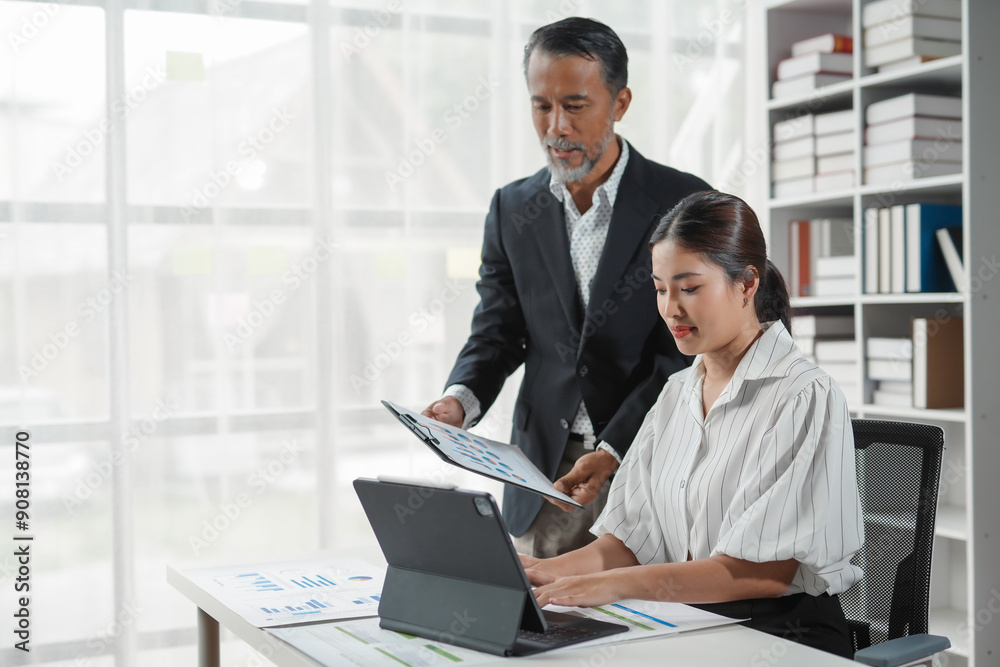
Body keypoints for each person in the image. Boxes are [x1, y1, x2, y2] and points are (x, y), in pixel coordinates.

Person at [519, 191, 864, 657]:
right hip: (690, 621)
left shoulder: (802, 395)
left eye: (690, 288)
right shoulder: (675, 393)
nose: (670, 309)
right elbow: (629, 541)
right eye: (661, 289)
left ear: (746, 284)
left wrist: (610, 587)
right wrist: (545, 570)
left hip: (780, 636)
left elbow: (761, 573)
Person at [421, 17, 711, 558]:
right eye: (541, 106)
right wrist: (460, 400)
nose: (557, 126)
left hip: (645, 463)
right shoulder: (512, 208)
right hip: (541, 476)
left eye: (575, 106)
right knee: (537, 626)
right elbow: (497, 331)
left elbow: (686, 353)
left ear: (620, 102)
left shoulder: (686, 204)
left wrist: (613, 447)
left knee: (642, 628)